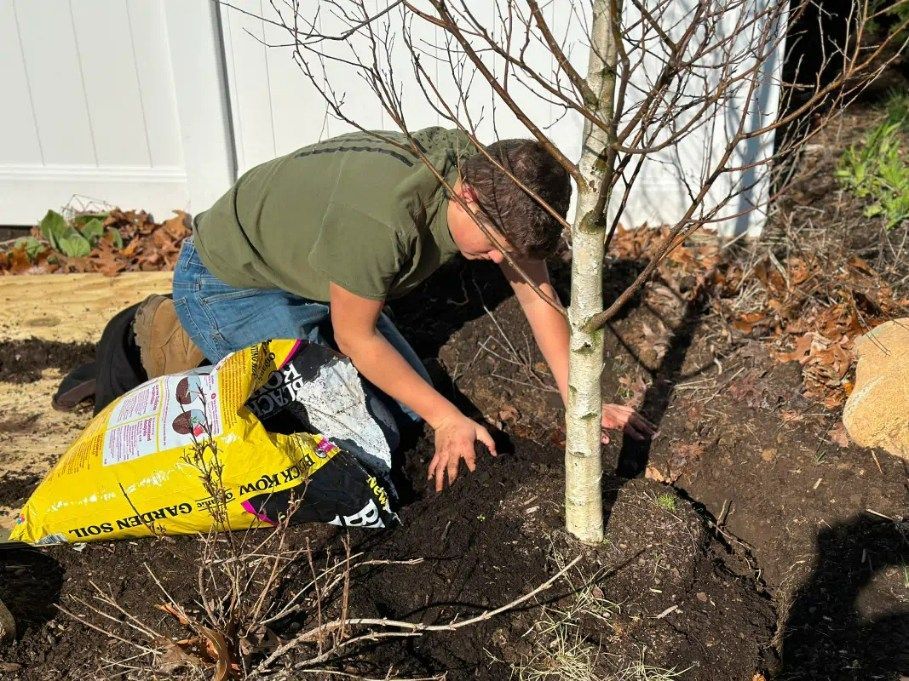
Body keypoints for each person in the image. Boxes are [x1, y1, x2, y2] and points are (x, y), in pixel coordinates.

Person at [172, 127, 655, 492]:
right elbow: (357, 338)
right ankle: (167, 334)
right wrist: (448, 421)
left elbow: (535, 290)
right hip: (230, 283)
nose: (496, 263)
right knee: (364, 441)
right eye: (492, 248)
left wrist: (580, 399)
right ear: (467, 195)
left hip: (327, 275)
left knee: (406, 416)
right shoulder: (382, 221)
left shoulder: (499, 182)